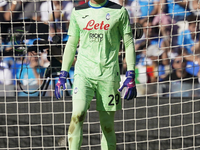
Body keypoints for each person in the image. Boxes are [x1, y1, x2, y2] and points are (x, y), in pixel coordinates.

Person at [54, 0, 137, 149]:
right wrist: (63, 73)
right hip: (83, 73)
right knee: (77, 116)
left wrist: (131, 73)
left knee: (107, 125)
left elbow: (129, 43)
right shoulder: (77, 12)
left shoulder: (119, 12)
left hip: (109, 74)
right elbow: (72, 43)